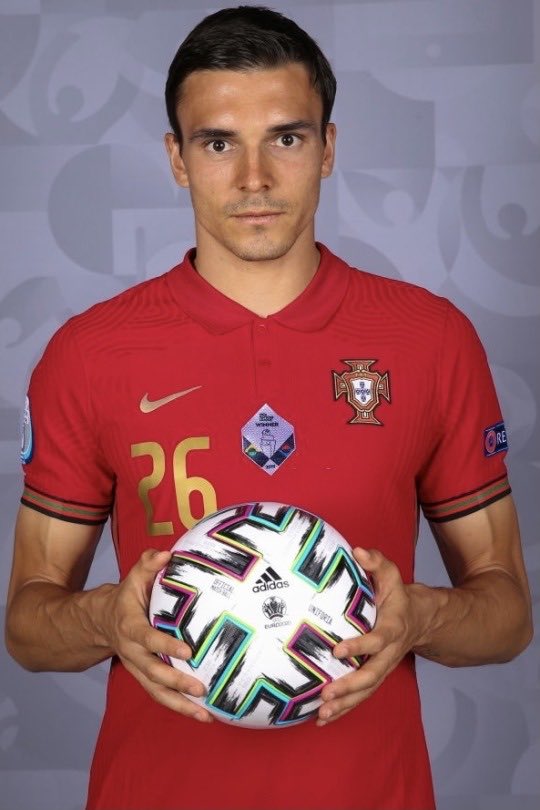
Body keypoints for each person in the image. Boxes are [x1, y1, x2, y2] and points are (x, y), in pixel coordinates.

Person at [5, 6, 532, 810]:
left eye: (286, 138)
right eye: (219, 144)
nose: (254, 178)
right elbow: (27, 624)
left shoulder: (431, 339)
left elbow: (507, 613)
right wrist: (105, 619)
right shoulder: (89, 353)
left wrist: (418, 618)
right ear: (177, 159)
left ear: (329, 148)